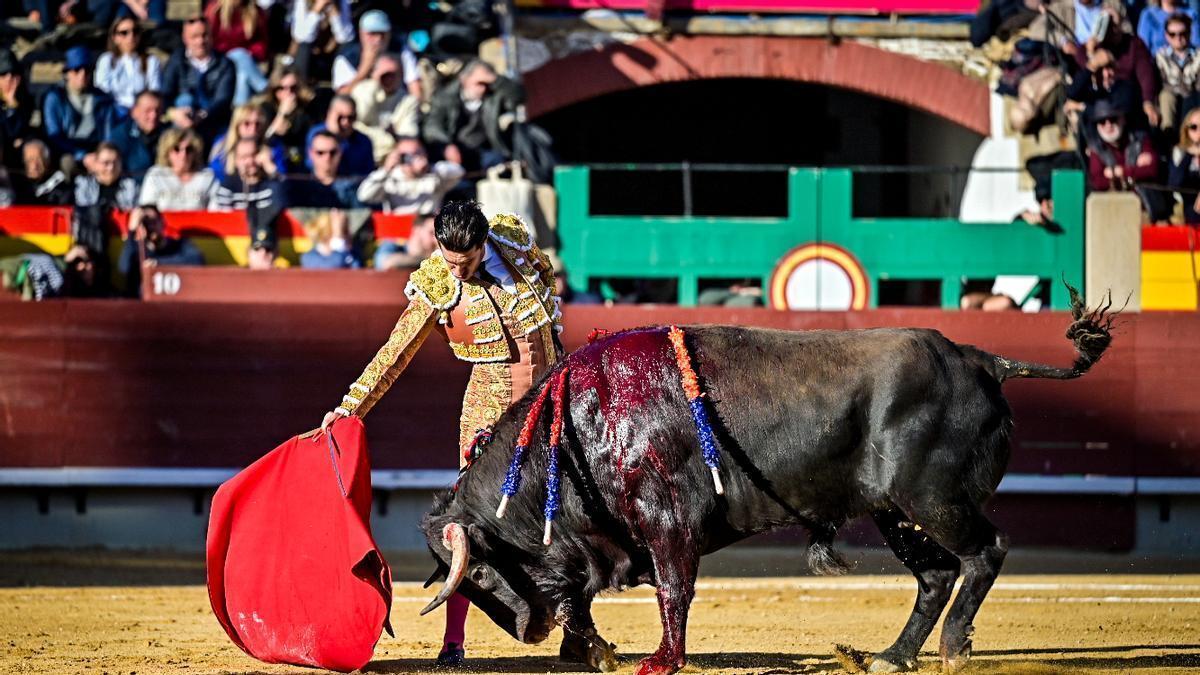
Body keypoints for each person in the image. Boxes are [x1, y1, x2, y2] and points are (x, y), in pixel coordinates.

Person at [318, 201, 565, 669]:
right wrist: (351, 407)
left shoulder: (512, 241)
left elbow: (550, 302)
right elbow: (396, 353)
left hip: (549, 398)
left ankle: (577, 630)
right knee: (470, 526)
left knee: (562, 513)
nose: (459, 270)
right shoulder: (437, 282)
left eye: (466, 261)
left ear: (483, 242)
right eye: (450, 261)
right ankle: (454, 641)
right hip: (489, 410)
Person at [423, 60, 523, 172]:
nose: (483, 88)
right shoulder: (445, 97)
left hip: (484, 152)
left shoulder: (493, 97)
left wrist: (496, 80)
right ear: (464, 80)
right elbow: (432, 126)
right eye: (479, 83)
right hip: (455, 151)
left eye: (487, 84)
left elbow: (519, 97)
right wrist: (446, 146)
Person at [161, 16, 237, 141]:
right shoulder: (176, 60)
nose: (200, 41)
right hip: (182, 117)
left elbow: (222, 100)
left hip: (213, 119)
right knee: (185, 100)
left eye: (204, 35)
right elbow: (165, 93)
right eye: (194, 36)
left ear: (212, 36)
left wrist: (202, 115)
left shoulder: (225, 64)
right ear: (185, 38)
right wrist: (174, 113)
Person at [43, 46, 120, 162]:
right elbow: (54, 136)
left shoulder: (103, 99)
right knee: (67, 162)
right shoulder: (55, 98)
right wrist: (81, 156)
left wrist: (101, 155)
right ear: (67, 73)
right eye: (77, 70)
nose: (82, 75)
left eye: (87, 70)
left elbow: (108, 134)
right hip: (68, 151)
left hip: (97, 151)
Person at [357, 137, 463, 214]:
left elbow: (459, 172)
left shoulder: (435, 173)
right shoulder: (390, 177)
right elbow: (364, 195)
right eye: (405, 155)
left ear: (424, 154)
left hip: (429, 230)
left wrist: (429, 168)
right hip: (399, 231)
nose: (410, 159)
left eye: (416, 153)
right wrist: (385, 170)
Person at [118, 204, 205, 296]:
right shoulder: (135, 249)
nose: (151, 226)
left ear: (163, 222)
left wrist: (159, 263)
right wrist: (132, 231)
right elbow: (124, 269)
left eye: (154, 222)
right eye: (146, 222)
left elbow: (197, 260)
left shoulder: (179, 245)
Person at [331, 9, 419, 97]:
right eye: (372, 34)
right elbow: (342, 96)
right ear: (362, 33)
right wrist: (364, 69)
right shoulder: (346, 56)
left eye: (382, 33)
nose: (378, 39)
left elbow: (414, 85)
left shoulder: (400, 49)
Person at [350, 52, 420, 161]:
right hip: (361, 153)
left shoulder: (408, 101)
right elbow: (360, 119)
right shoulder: (362, 90)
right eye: (385, 75)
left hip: (391, 158)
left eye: (393, 74)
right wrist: (375, 83)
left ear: (401, 75)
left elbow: (408, 136)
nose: (389, 79)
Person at [72, 141, 139, 253]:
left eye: (115, 162)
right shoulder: (84, 184)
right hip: (90, 243)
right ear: (96, 164)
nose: (111, 168)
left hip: (124, 243)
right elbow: (82, 211)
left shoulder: (130, 185)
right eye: (106, 163)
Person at [211, 137, 286, 231]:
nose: (250, 161)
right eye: (244, 157)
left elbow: (284, 203)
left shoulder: (271, 183)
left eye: (254, 155)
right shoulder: (227, 186)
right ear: (236, 160)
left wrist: (270, 167)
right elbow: (225, 221)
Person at [204, 0, 270, 105]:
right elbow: (210, 40)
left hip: (247, 61)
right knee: (238, 54)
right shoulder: (215, 10)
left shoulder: (256, 11)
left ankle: (239, 111)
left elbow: (261, 43)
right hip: (221, 59)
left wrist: (250, 53)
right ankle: (265, 88)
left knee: (242, 76)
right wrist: (234, 52)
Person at [94, 16, 162, 111]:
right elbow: (103, 91)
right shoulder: (106, 60)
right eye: (124, 33)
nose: (131, 36)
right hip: (114, 111)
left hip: (142, 111)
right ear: (115, 38)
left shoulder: (151, 61)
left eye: (135, 31)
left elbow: (154, 92)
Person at [139, 127, 215, 210]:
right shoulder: (156, 175)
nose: (183, 155)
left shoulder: (207, 176)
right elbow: (146, 211)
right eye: (177, 149)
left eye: (189, 149)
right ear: (167, 152)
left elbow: (216, 212)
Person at [209, 102, 288, 176]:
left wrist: (268, 165)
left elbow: (283, 179)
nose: (253, 128)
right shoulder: (222, 145)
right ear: (237, 125)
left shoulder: (273, 146)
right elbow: (215, 174)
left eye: (257, 124)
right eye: (247, 124)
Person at [287, 129, 361, 207]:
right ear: (310, 154)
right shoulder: (298, 187)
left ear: (340, 153)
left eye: (332, 152)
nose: (327, 157)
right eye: (320, 153)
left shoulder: (354, 188)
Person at [261, 65, 316, 167]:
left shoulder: (307, 110)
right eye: (282, 88)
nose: (288, 93)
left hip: (300, 158)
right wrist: (282, 114)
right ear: (274, 90)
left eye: (293, 88)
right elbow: (266, 139)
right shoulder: (266, 108)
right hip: (273, 158)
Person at [305, 94, 374, 175]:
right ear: (329, 114)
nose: (345, 122)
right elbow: (312, 167)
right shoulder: (316, 135)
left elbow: (368, 174)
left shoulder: (363, 141)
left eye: (350, 117)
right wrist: (334, 136)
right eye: (340, 117)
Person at [288, 0, 354, 81]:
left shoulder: (342, 2)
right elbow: (301, 36)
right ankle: (301, 84)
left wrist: (334, 12)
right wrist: (317, 9)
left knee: (347, 47)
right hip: (307, 54)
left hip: (330, 53)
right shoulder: (302, 2)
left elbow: (345, 37)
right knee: (303, 46)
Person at [1155, 13, 1200, 131]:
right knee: (1166, 96)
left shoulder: (1198, 55)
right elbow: (1161, 82)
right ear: (1166, 35)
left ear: (1190, 33)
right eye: (1173, 34)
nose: (1178, 38)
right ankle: (1167, 133)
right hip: (1171, 97)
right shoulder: (1160, 56)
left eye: (1183, 33)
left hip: (1193, 97)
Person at [108, 90, 164, 179]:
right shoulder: (120, 135)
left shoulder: (167, 134)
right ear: (135, 112)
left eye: (157, 110)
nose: (154, 115)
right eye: (148, 111)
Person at [13, 140, 71, 205]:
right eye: (30, 160)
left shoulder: (59, 183)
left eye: (38, 160)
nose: (34, 165)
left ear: (47, 161)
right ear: (23, 161)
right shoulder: (15, 184)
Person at [1169, 107, 1200, 222]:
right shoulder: (1179, 152)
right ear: (1186, 130)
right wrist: (1189, 154)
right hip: (1189, 207)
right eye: (1194, 127)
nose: (1199, 132)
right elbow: (1175, 184)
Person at [0, 47, 34, 154]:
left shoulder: (26, 100)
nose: (9, 78)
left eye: (13, 73)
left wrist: (12, 104)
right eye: (3, 74)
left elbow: (18, 132)